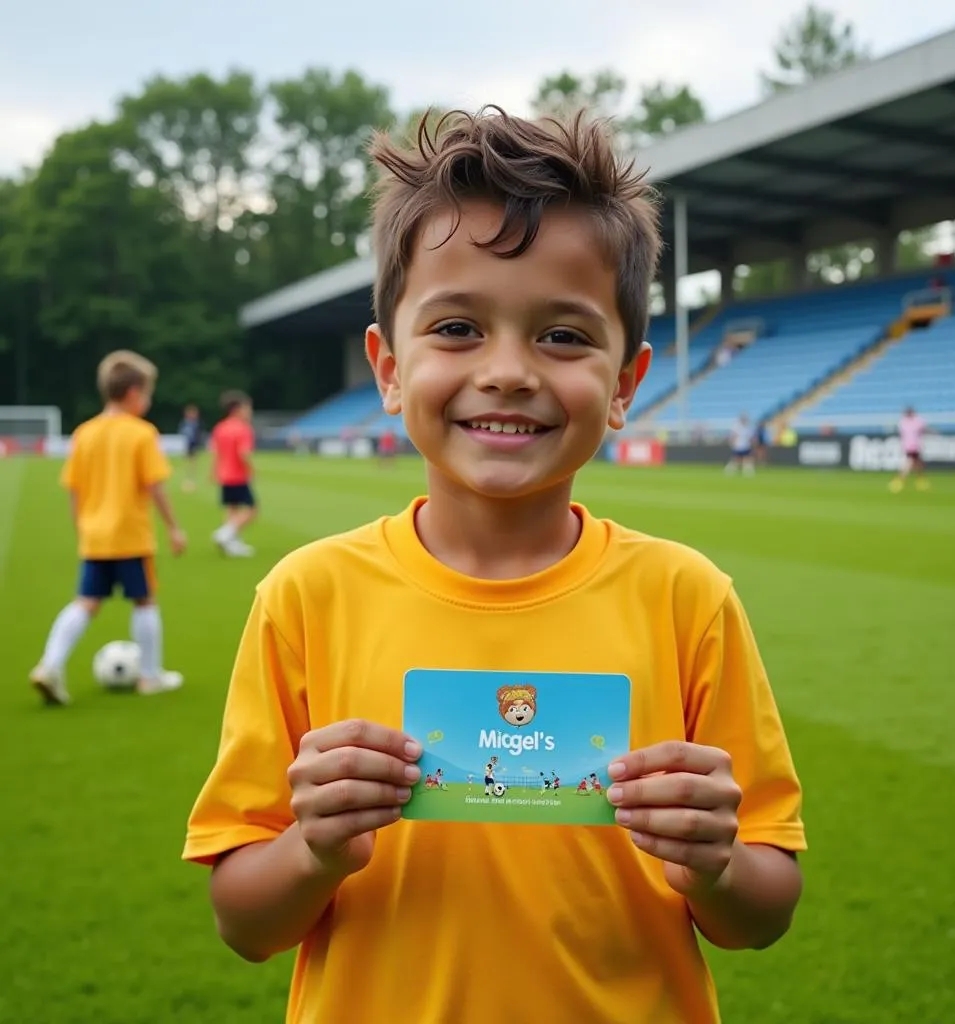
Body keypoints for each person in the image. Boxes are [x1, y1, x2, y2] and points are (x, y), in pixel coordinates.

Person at [183, 107, 806, 1024]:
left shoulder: (686, 598)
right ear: (388, 367)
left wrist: (713, 861)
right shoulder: (308, 596)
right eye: (459, 329)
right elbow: (244, 920)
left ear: (626, 383)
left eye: (562, 336)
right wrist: (313, 847)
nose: (509, 370)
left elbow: (762, 911)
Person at [29, 350, 187, 705]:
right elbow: (154, 486)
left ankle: (49, 665)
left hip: (95, 535)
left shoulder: (85, 433)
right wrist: (175, 527)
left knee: (86, 601)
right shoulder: (142, 434)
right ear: (133, 392)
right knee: (144, 600)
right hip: (130, 535)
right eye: (148, 392)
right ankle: (149, 676)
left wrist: (82, 527)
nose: (149, 399)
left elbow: (74, 489)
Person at [210, 390, 257, 557]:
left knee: (232, 508)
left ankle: (231, 542)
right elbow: (243, 452)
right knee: (252, 510)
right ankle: (225, 534)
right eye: (247, 408)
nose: (249, 411)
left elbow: (215, 453)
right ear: (237, 409)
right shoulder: (243, 429)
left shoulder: (220, 428)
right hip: (238, 475)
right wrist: (252, 468)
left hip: (224, 475)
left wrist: (213, 472)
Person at [889, 405, 929, 492]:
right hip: (913, 445)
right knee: (910, 463)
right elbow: (924, 429)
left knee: (918, 463)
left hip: (909, 446)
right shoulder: (917, 421)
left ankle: (920, 480)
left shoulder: (903, 422)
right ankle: (900, 480)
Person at [179, 403, 204, 492]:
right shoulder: (185, 423)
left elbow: (198, 434)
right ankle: (187, 477)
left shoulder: (196, 424)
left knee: (193, 461)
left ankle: (191, 477)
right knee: (187, 460)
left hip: (194, 444)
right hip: (187, 444)